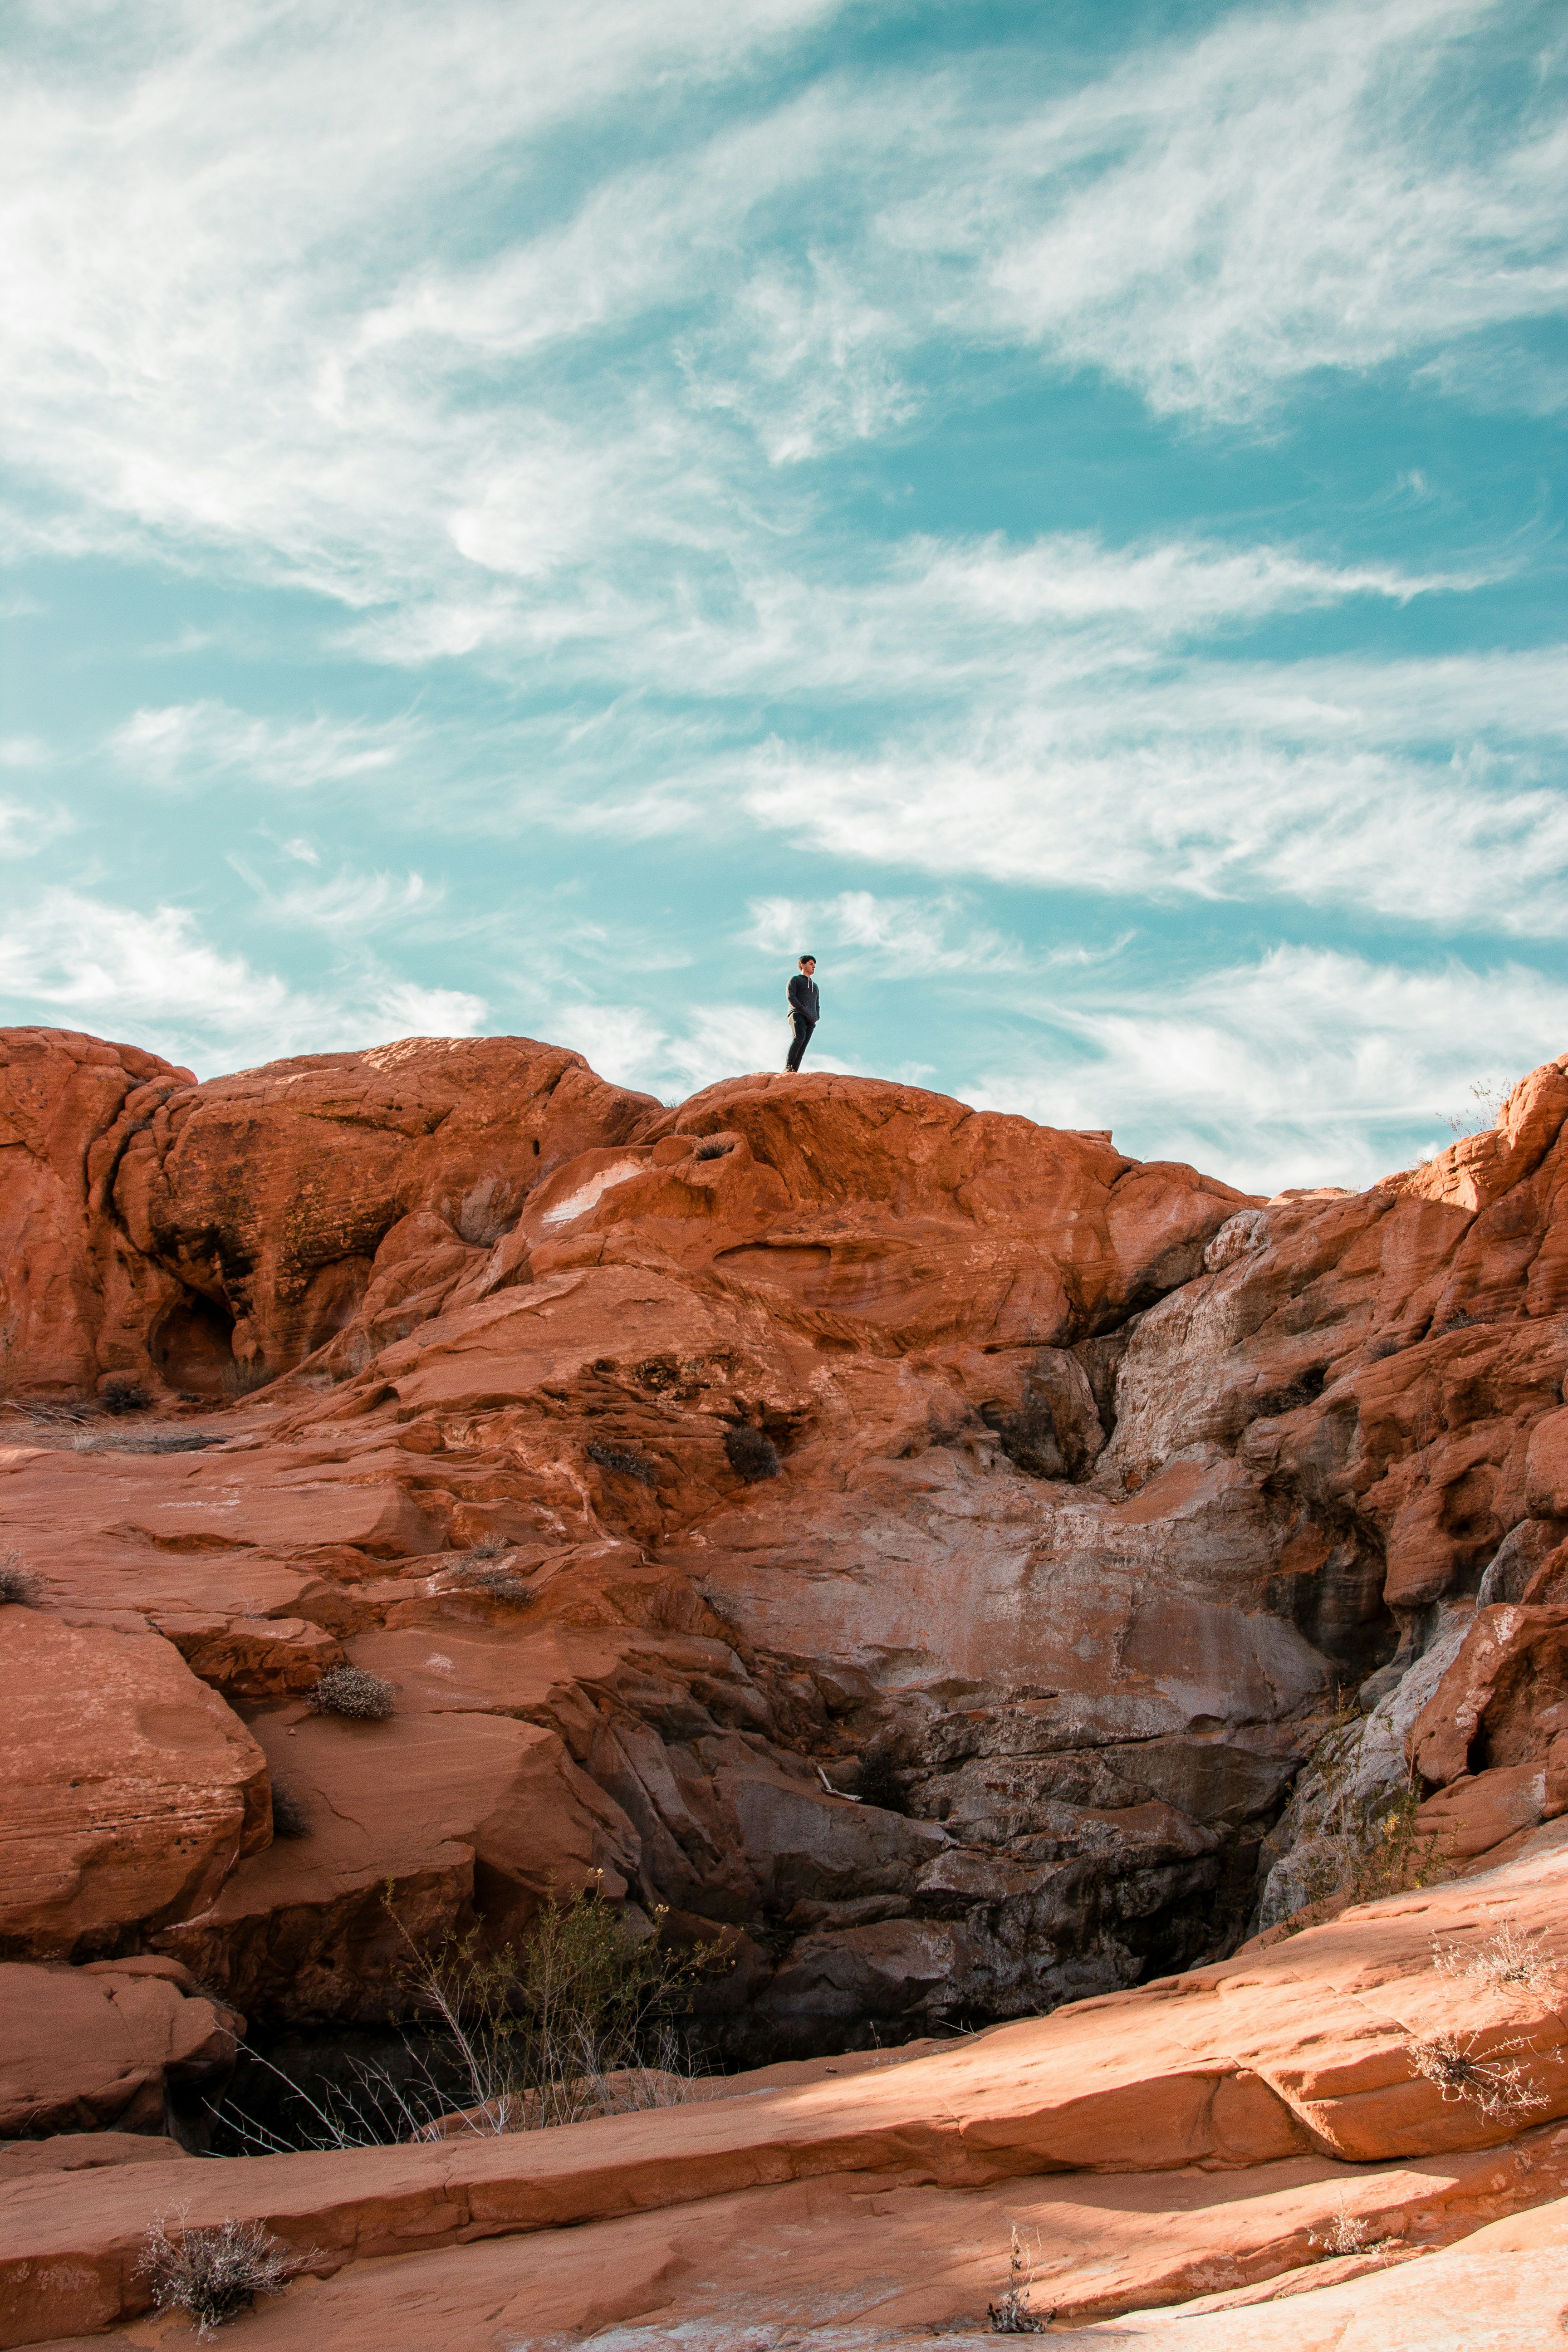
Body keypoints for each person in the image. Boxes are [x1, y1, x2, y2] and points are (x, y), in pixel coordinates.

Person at [785, 954, 819, 1072]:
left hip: (811, 1019)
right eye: (811, 964)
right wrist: (802, 1009)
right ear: (802, 965)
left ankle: (794, 1071)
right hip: (797, 1013)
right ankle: (788, 1067)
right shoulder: (795, 980)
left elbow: (817, 1004)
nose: (814, 967)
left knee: (803, 1045)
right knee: (799, 1038)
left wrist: (816, 1016)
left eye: (814, 965)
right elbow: (791, 997)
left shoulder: (815, 987)